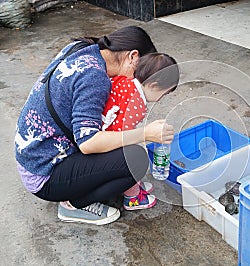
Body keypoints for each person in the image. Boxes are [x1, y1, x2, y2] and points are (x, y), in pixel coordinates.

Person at [14, 26, 175, 225]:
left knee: (123, 149)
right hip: (45, 173)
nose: (138, 78)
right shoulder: (95, 78)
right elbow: (88, 143)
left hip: (33, 155)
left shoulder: (82, 48)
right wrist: (145, 133)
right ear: (133, 56)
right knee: (135, 160)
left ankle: (83, 187)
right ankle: (73, 205)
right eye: (141, 70)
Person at [101, 52, 179, 211]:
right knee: (133, 156)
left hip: (99, 133)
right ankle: (133, 196)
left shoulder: (126, 80)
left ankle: (130, 184)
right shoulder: (137, 104)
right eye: (163, 94)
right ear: (153, 85)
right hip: (105, 145)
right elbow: (123, 140)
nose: (161, 99)